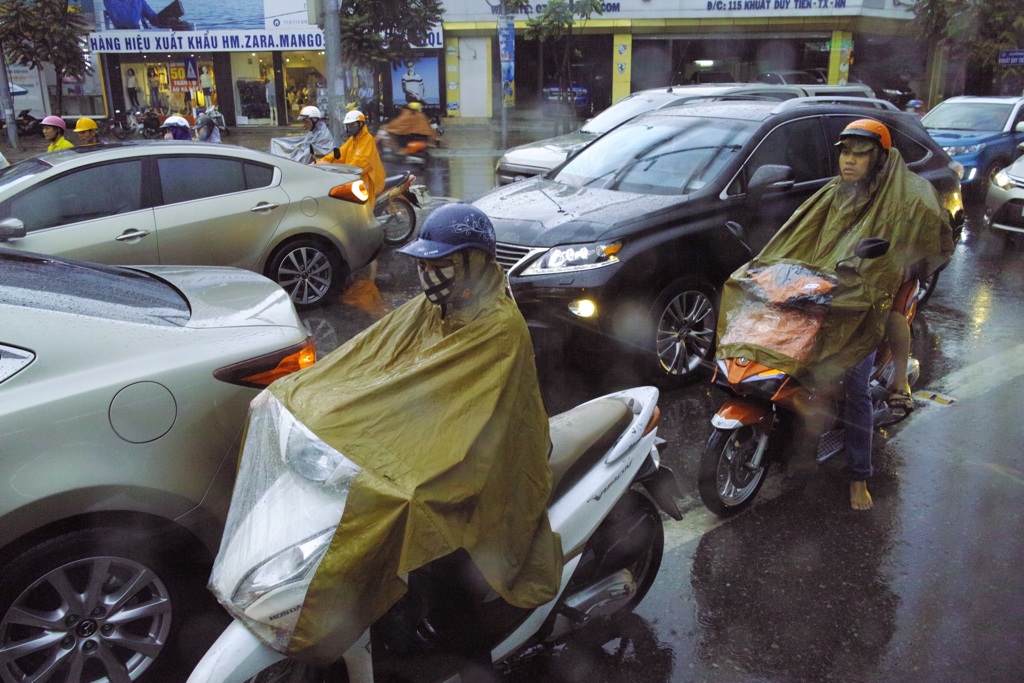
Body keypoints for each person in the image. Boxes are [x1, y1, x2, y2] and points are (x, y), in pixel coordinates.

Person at [226, 203, 561, 670]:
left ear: (475, 264)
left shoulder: (497, 328)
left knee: (437, 551)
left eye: (440, 264)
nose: (427, 275)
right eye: (423, 264)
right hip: (431, 439)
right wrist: (292, 392)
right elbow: (366, 363)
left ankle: (473, 664)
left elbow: (472, 422)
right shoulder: (435, 307)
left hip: (484, 463)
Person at [716, 119, 952, 510]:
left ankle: (860, 475)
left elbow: (922, 236)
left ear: (879, 158)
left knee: (855, 383)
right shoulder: (832, 192)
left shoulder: (909, 196)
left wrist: (892, 265)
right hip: (837, 287)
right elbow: (800, 237)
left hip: (877, 290)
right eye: (845, 152)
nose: (850, 161)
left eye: (861, 154)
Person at [316, 109, 385, 203]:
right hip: (353, 177)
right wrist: (320, 163)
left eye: (353, 124)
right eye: (348, 125)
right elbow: (339, 154)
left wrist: (345, 171)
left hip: (366, 180)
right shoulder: (352, 140)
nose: (350, 127)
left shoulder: (368, 140)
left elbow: (361, 162)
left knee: (361, 208)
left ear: (361, 124)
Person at [268, 105, 335, 163]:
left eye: (306, 122)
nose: (304, 126)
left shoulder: (322, 135)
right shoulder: (315, 132)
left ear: (314, 120)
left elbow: (310, 153)